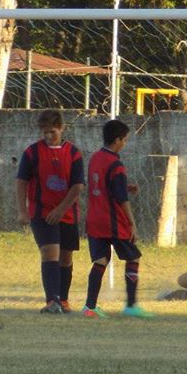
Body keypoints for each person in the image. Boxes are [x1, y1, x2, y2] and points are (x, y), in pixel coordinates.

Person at [81, 119, 152, 318]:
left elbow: (101, 184)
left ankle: (90, 307)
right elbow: (121, 198)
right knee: (133, 257)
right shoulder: (116, 164)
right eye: (125, 140)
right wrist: (132, 223)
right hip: (112, 221)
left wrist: (126, 186)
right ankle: (130, 305)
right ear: (117, 140)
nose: (125, 144)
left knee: (100, 260)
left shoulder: (95, 158)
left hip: (94, 219)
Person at [16, 109, 85, 314]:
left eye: (52, 132)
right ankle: (52, 301)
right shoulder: (32, 152)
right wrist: (22, 210)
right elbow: (21, 181)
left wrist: (61, 209)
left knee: (65, 258)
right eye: (44, 132)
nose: (47, 136)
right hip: (41, 213)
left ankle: (63, 299)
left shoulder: (73, 153)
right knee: (50, 253)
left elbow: (78, 186)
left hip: (67, 213)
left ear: (62, 128)